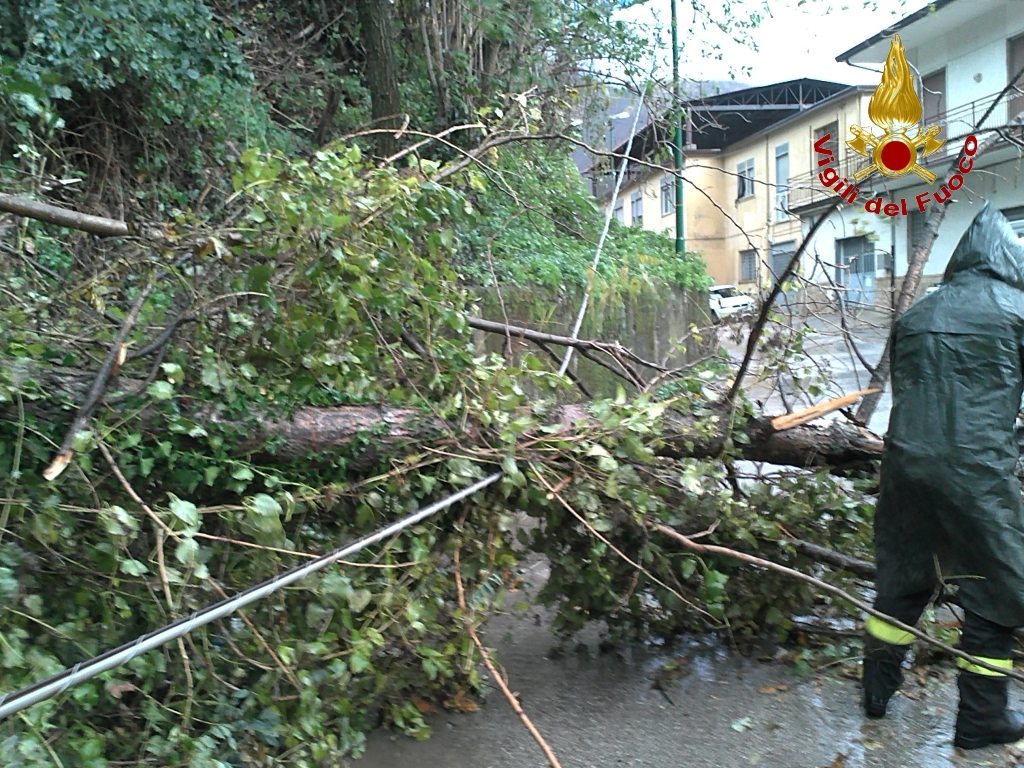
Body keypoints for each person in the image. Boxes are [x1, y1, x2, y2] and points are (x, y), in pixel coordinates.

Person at [863, 201, 1024, 750]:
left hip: (905, 466)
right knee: (994, 592)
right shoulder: (1017, 311)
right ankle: (980, 720)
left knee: (902, 580)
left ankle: (875, 693)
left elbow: (913, 393)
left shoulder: (916, 316)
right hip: (978, 477)